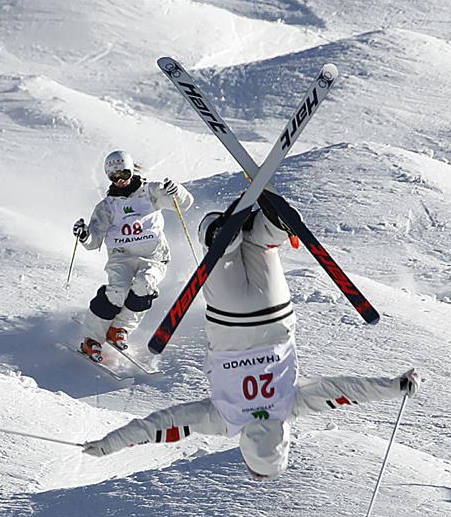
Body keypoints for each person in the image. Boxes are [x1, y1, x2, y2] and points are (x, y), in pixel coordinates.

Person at [82, 194, 422, 479]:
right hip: (229, 318)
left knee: (262, 244)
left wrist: (395, 387)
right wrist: (109, 444)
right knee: (220, 247)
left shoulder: (290, 406)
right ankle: (219, 235)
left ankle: (271, 226)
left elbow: (347, 392)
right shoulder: (224, 421)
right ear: (246, 448)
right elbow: (160, 427)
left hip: (274, 312)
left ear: (284, 440)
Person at [73, 150, 194, 362]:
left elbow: (183, 204)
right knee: (117, 291)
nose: (120, 181)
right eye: (114, 177)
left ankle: (119, 327)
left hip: (153, 256)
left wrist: (178, 192)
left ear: (131, 170)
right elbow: (94, 241)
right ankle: (91, 339)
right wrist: (84, 236)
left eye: (124, 174)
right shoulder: (107, 206)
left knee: (144, 286)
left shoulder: (151, 192)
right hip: (122, 256)